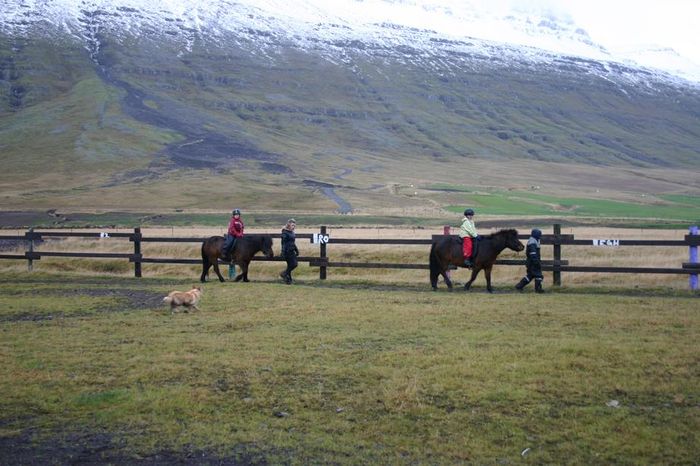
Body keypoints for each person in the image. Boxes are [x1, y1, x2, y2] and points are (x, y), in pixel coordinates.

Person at [515, 228, 544, 293]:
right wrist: (536, 262)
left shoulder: (533, 241)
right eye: (539, 235)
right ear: (537, 235)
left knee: (530, 275)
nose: (540, 236)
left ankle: (519, 286)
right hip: (533, 262)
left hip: (531, 262)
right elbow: (533, 254)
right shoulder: (532, 242)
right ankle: (538, 289)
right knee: (538, 275)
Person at [279, 218, 299, 284]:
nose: (294, 227)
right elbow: (283, 243)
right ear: (289, 225)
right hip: (287, 251)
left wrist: (296, 249)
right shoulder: (285, 232)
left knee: (290, 265)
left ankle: (288, 280)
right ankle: (284, 273)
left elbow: (293, 242)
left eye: (294, 225)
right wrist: (283, 252)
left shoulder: (292, 232)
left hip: (292, 250)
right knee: (294, 264)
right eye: (292, 225)